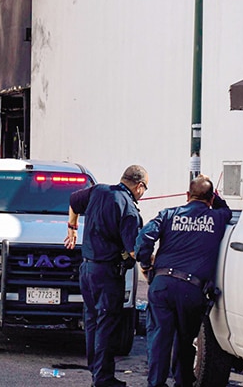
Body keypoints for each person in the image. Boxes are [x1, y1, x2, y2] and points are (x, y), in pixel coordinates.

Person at [135, 175, 232, 387]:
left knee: (159, 340)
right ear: (210, 199)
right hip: (192, 290)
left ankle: (156, 384)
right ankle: (182, 382)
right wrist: (215, 197)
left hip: (162, 285)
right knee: (185, 341)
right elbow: (227, 210)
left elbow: (144, 238)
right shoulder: (218, 217)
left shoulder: (169, 214)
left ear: (188, 195)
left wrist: (145, 264)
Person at [65, 165, 147, 387]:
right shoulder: (129, 210)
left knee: (92, 321)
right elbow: (133, 251)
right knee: (106, 324)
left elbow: (74, 201)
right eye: (144, 189)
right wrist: (150, 268)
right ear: (139, 186)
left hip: (87, 269)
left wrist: (71, 228)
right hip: (108, 273)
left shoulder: (98, 191)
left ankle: (96, 371)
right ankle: (102, 378)